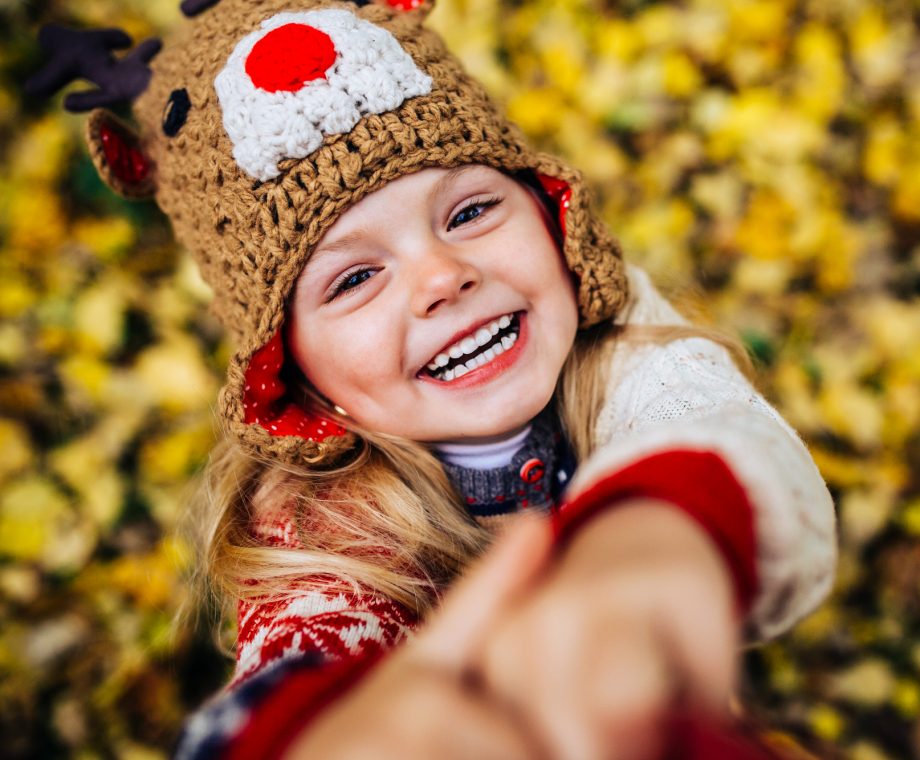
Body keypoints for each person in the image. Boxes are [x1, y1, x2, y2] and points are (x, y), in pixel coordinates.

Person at [32, 1, 836, 757]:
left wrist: (653, 535)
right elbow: (295, 650)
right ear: (294, 375)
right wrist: (317, 733)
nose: (442, 278)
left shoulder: (627, 348)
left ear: (551, 215)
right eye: (353, 280)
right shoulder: (320, 536)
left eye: (469, 213)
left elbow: (715, 424)